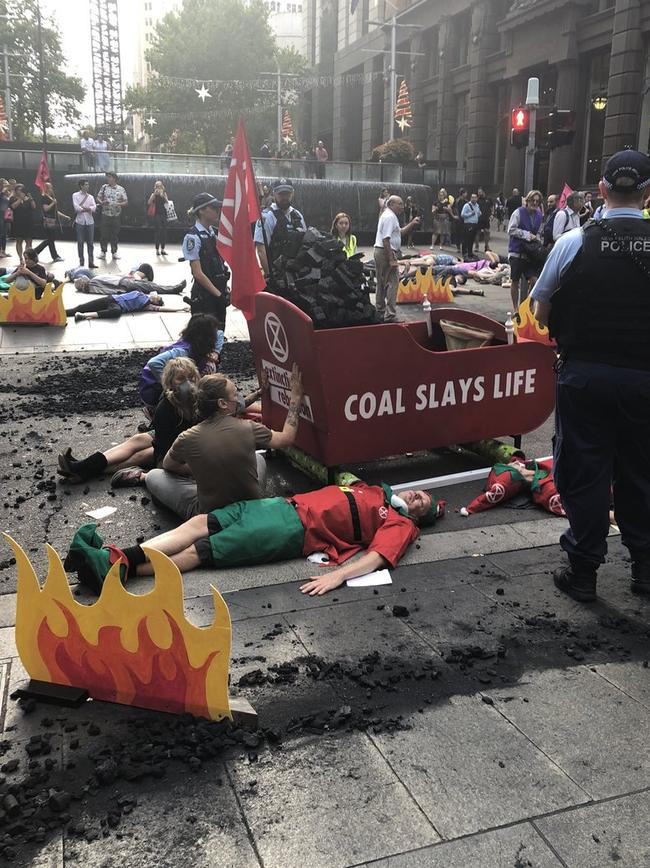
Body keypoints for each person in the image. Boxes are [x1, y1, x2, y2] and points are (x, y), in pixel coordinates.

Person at [530, 149, 650, 603]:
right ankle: (645, 571)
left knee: (585, 472)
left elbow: (540, 311)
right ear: (647, 192)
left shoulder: (574, 242)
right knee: (643, 473)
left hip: (585, 378)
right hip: (644, 380)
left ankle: (582, 572)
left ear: (601, 190)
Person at [64, 472, 443, 596]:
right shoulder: (377, 490)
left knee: (202, 551)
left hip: (292, 529)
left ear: (419, 516)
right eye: (419, 492)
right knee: (201, 523)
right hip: (280, 506)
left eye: (423, 502)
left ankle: (115, 569)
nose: (416, 497)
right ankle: (121, 556)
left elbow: (378, 557)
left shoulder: (401, 524)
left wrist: (336, 576)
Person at [141, 364, 304, 521]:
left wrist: (202, 468)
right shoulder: (249, 428)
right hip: (250, 506)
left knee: (153, 476)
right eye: (235, 394)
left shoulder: (186, 437)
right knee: (258, 458)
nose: (238, 397)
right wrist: (295, 398)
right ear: (222, 403)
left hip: (210, 516)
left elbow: (168, 466)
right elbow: (286, 438)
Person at [57, 357, 200, 486]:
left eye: (191, 377)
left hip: (180, 443)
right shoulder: (167, 405)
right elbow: (163, 439)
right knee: (137, 440)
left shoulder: (201, 398)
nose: (188, 382)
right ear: (170, 384)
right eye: (181, 379)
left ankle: (84, 471)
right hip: (170, 439)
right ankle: (82, 466)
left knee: (141, 455)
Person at [139, 313, 224, 413]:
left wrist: (216, 352)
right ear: (207, 337)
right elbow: (154, 363)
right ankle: (155, 412)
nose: (216, 334)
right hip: (153, 389)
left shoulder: (197, 343)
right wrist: (167, 383)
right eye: (213, 332)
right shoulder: (182, 351)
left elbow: (220, 334)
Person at [182, 192, 230, 328]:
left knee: (219, 334)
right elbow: (197, 273)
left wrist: (224, 290)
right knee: (205, 338)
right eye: (213, 207)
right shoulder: (193, 237)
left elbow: (219, 263)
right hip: (205, 295)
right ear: (202, 210)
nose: (217, 211)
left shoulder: (213, 233)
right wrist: (218, 295)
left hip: (219, 290)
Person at [373, 195, 421, 323]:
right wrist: (391, 259)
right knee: (392, 283)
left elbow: (398, 233)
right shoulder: (389, 217)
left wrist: (411, 224)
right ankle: (390, 316)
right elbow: (386, 239)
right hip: (385, 252)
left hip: (380, 251)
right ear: (391, 204)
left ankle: (380, 311)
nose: (402, 206)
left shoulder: (389, 215)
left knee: (381, 282)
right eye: (399, 204)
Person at [254, 178, 306, 278]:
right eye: (281, 194)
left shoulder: (298, 216)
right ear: (274, 194)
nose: (284, 197)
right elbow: (261, 250)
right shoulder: (267, 216)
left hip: (297, 275)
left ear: (292, 194)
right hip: (277, 274)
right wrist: (270, 276)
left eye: (287, 194)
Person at [507, 189, 544, 311]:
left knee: (534, 280)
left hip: (530, 253)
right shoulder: (518, 212)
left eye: (537, 201)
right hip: (517, 252)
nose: (535, 203)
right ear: (527, 201)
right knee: (515, 280)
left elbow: (538, 232)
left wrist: (537, 239)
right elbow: (511, 230)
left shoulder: (539, 215)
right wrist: (527, 235)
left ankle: (528, 306)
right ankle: (516, 309)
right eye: (532, 200)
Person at [65, 290, 173, 322]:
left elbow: (162, 308)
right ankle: (61, 312)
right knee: (81, 306)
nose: (156, 296)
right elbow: (153, 292)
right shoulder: (143, 294)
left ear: (156, 302)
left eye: (157, 299)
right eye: (157, 296)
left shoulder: (147, 305)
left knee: (116, 312)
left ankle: (83, 316)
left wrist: (180, 309)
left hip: (117, 306)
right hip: (111, 298)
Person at [70, 267, 186, 296]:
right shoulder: (93, 283)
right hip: (124, 284)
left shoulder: (92, 287)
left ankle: (173, 288)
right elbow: (112, 282)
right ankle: (174, 288)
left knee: (150, 286)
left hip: (124, 284)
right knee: (151, 287)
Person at [33, 183, 68, 263]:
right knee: (50, 239)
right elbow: (46, 209)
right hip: (47, 221)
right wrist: (53, 203)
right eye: (50, 188)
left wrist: (64, 216)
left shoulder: (51, 198)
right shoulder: (44, 197)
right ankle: (38, 252)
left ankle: (36, 252)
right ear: (47, 188)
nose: (51, 189)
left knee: (51, 239)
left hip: (52, 220)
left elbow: (55, 211)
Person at [97, 172, 128, 260]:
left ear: (114, 178)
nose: (108, 179)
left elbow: (126, 202)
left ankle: (114, 252)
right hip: (105, 214)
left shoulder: (121, 189)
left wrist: (118, 204)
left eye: (109, 177)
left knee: (114, 234)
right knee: (104, 234)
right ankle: (103, 252)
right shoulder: (104, 187)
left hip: (116, 214)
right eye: (107, 177)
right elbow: (98, 197)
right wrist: (102, 202)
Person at [72, 179, 97, 268]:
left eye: (88, 184)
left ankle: (91, 262)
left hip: (90, 222)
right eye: (86, 184)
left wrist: (85, 208)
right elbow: (76, 207)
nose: (88, 186)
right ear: (81, 186)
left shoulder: (91, 197)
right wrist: (88, 208)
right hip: (80, 221)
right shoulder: (75, 195)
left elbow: (94, 208)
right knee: (80, 242)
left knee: (90, 243)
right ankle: (81, 261)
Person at [9, 184, 35, 260]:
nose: (20, 192)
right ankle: (20, 258)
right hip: (18, 223)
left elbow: (34, 207)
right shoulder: (13, 198)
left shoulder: (28, 198)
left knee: (29, 241)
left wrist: (31, 199)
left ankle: (28, 257)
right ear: (16, 191)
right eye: (18, 190)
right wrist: (20, 199)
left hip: (28, 222)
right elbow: (13, 207)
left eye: (22, 190)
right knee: (19, 241)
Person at [147, 180, 169, 255]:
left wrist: (163, 196)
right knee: (157, 232)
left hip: (164, 214)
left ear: (162, 187)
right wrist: (154, 195)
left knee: (164, 232)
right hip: (156, 214)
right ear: (155, 187)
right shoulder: (153, 194)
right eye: (157, 186)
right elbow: (149, 202)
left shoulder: (164, 193)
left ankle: (162, 249)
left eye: (160, 186)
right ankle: (157, 250)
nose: (158, 187)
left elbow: (167, 202)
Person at [460, 192, 481, 260]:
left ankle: (470, 252)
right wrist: (470, 214)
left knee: (472, 239)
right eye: (472, 197)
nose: (474, 199)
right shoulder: (467, 205)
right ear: (470, 198)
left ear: (477, 198)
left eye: (475, 197)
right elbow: (462, 215)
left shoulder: (477, 205)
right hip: (468, 224)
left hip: (475, 224)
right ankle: (464, 253)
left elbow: (478, 213)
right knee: (466, 239)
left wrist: (479, 213)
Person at [451, 188, 467, 255]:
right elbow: (454, 209)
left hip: (463, 219)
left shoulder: (466, 201)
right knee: (458, 233)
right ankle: (458, 247)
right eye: (465, 193)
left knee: (463, 234)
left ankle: (462, 247)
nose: (466, 194)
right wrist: (455, 216)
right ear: (462, 193)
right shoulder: (457, 201)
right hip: (459, 219)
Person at [476, 188, 493, 253]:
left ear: (483, 192)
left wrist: (491, 214)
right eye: (478, 192)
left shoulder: (488, 199)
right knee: (478, 232)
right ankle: (476, 246)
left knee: (487, 232)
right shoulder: (477, 200)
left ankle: (486, 246)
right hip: (479, 219)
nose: (479, 193)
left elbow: (491, 207)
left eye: (480, 192)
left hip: (486, 218)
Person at [0, 179, 10, 258]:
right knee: (0, 233)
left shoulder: (5, 194)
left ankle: (3, 251)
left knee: (4, 234)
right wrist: (4, 190)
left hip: (6, 215)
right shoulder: (1, 193)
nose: (7, 186)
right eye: (5, 184)